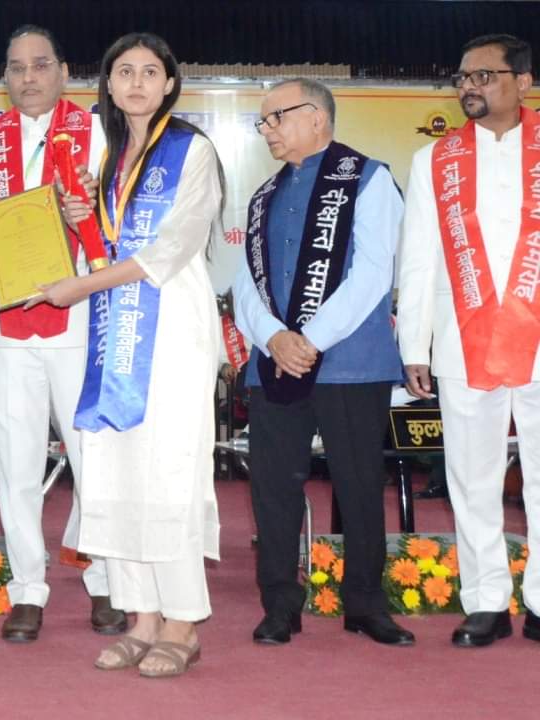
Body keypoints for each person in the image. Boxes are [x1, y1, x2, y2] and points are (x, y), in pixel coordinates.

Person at [32, 33, 222, 678]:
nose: (137, 82)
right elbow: (101, 248)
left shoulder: (191, 151)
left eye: (149, 71)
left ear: (170, 83)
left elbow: (169, 251)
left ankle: (183, 621)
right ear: (108, 86)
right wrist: (77, 218)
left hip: (171, 335)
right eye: (124, 72)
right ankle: (141, 617)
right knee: (118, 471)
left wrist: (79, 285)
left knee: (170, 473)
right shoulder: (110, 158)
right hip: (116, 333)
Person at [0, 24, 119, 643]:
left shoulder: (99, 132)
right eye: (16, 67)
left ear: (64, 72)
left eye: (39, 65)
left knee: (91, 457)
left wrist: (92, 208)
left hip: (77, 316)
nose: (27, 77)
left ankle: (103, 581)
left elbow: (122, 220)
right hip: (4, 322)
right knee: (15, 465)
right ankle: (27, 589)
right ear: (5, 77)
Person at [232, 78, 414, 647]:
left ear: (315, 117)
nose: (267, 131)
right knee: (273, 488)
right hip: (276, 365)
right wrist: (273, 339)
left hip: (349, 362)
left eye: (275, 118)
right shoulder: (263, 195)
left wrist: (306, 338)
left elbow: (372, 273)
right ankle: (280, 605)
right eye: (262, 123)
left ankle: (365, 603)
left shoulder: (369, 177)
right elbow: (245, 285)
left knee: (360, 486)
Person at [398, 33, 540, 647]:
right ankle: (485, 601)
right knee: (471, 475)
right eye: (462, 78)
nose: (468, 88)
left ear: (523, 82)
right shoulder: (436, 160)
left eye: (483, 76)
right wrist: (414, 346)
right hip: (463, 341)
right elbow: (420, 258)